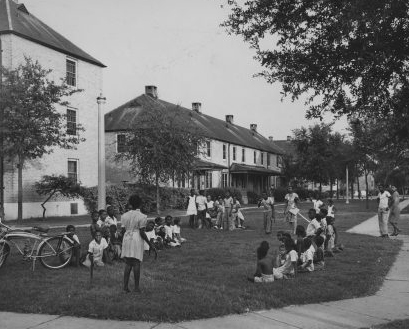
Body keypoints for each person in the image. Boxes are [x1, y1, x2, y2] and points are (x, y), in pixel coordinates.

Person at [121, 194, 155, 293]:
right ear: (140, 204)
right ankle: (136, 288)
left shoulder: (124, 215)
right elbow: (141, 231)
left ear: (130, 203)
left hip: (127, 237)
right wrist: (149, 243)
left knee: (128, 263)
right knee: (136, 263)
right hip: (136, 238)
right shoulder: (142, 216)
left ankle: (125, 287)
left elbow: (123, 230)